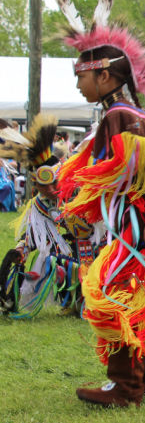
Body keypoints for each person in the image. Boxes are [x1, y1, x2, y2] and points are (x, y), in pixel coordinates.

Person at [48, 0, 145, 407]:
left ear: (107, 77)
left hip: (142, 228)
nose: (78, 84)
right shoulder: (132, 113)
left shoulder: (121, 117)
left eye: (83, 75)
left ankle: (124, 386)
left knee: (111, 291)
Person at [0, 116, 98, 318]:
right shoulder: (39, 204)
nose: (51, 190)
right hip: (74, 248)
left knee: (83, 247)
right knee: (53, 257)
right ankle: (72, 299)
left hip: (99, 245)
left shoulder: (81, 192)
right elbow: (35, 234)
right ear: (35, 185)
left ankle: (94, 297)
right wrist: (22, 248)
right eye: (44, 187)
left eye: (55, 183)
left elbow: (94, 230)